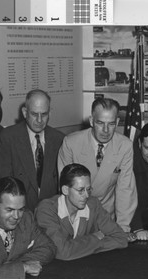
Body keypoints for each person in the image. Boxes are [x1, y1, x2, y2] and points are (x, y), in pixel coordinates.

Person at [58, 97, 137, 233]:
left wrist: (122, 229)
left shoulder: (125, 146)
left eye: (111, 124)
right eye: (100, 123)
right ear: (91, 121)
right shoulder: (71, 143)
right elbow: (66, 189)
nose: (106, 130)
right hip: (75, 216)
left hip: (106, 217)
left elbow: (126, 189)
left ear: (117, 122)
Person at [35, 163, 128, 260]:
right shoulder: (46, 209)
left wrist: (77, 247)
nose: (87, 195)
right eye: (81, 190)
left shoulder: (93, 204)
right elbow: (62, 252)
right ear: (65, 190)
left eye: (88, 189)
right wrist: (95, 238)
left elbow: (121, 239)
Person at [0, 89, 64, 212]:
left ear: (50, 113)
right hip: (19, 212)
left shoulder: (59, 139)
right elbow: (3, 183)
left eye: (44, 114)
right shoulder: (8, 137)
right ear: (25, 112)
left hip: (50, 212)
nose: (39, 120)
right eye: (34, 114)